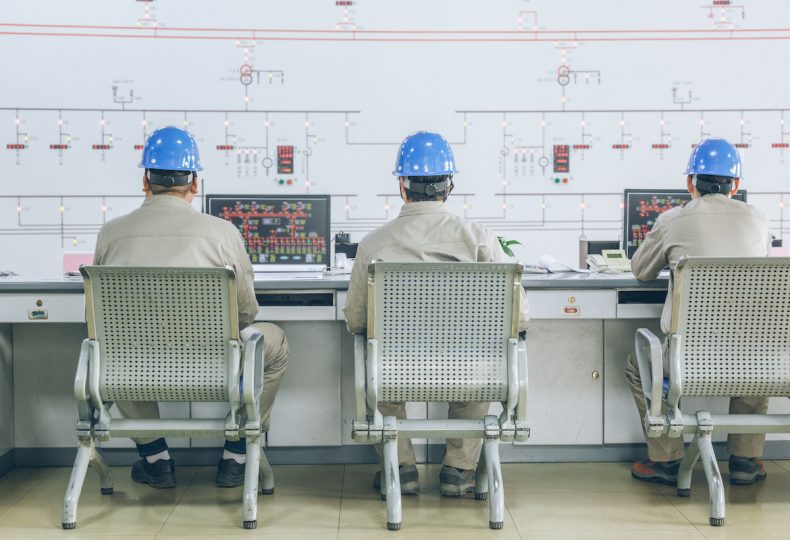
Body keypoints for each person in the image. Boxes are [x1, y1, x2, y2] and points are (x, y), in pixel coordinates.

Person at [93, 126, 289, 489]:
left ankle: (155, 458)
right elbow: (245, 312)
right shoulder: (221, 233)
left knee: (113, 346)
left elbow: (100, 322)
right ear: (194, 183)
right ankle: (238, 454)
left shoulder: (111, 233)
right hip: (214, 365)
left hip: (136, 364)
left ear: (144, 181)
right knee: (273, 342)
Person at [343, 131, 529, 497]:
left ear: (402, 186)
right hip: (466, 371)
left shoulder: (373, 245)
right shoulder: (481, 240)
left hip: (397, 373)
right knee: (484, 357)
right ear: (449, 186)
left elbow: (357, 321)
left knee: (376, 353)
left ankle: (401, 468)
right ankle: (459, 471)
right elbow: (519, 319)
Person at [625, 137, 772, 486]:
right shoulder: (760, 220)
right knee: (756, 355)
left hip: (688, 358)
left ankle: (666, 459)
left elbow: (640, 271)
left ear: (690, 182)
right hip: (751, 355)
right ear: (735, 185)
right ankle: (746, 461)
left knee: (639, 363)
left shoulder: (672, 219)